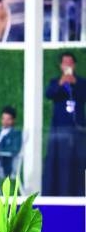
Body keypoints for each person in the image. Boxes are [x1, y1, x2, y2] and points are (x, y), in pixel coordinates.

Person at [43, 52, 86, 195]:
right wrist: (61, 83)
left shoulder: (81, 82)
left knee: (77, 164)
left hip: (78, 131)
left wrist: (74, 83)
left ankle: (78, 193)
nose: (67, 65)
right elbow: (49, 94)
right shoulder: (55, 82)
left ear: (74, 65)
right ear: (61, 66)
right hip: (60, 132)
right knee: (59, 164)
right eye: (65, 63)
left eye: (70, 62)